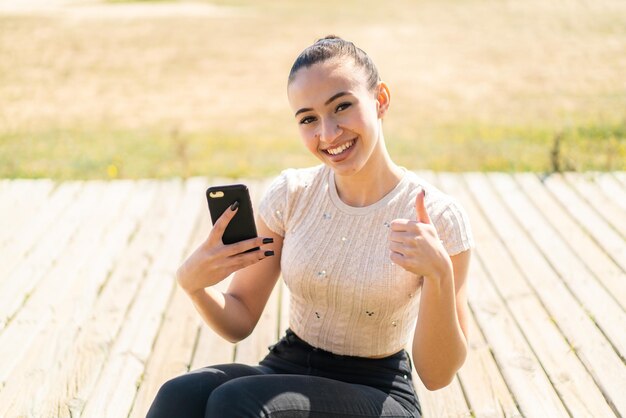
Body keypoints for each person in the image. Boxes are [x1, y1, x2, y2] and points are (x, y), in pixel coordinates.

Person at [146, 35, 474, 418]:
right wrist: (194, 284)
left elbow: (437, 376)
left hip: (377, 390)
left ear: (380, 99)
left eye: (342, 106)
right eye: (308, 119)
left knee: (235, 401)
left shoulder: (439, 217)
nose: (329, 133)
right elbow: (240, 319)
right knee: (180, 395)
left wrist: (438, 275)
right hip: (287, 364)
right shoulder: (292, 193)